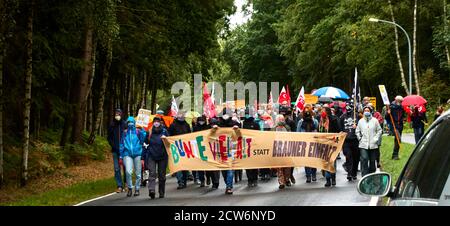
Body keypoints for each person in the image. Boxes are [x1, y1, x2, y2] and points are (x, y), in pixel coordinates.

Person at [120, 116, 147, 197]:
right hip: (127, 154)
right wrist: (121, 156)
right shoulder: (124, 133)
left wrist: (142, 130)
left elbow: (144, 141)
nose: (130, 124)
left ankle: (137, 189)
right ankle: (130, 188)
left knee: (138, 173)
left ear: (134, 123)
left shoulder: (138, 132)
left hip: (138, 154)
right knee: (128, 172)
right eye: (128, 122)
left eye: (131, 122)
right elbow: (121, 144)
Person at [143, 117, 169, 199]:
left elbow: (169, 143)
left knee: (162, 175)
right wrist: (143, 156)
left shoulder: (165, 131)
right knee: (152, 173)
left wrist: (166, 139)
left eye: (158, 122)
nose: (156, 123)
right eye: (155, 122)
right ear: (153, 123)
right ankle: (152, 190)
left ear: (160, 123)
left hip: (163, 156)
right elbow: (145, 143)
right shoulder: (149, 132)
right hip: (152, 155)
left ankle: (161, 192)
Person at [216, 110, 239, 194]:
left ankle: (229, 186)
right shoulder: (218, 124)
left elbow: (240, 135)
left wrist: (237, 129)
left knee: (230, 169)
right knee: (224, 171)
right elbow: (210, 135)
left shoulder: (234, 123)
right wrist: (213, 129)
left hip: (231, 150)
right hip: (220, 151)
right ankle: (227, 183)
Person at [168, 111, 192, 189]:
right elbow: (169, 135)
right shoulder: (173, 125)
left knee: (184, 165)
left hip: (185, 147)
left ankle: (184, 181)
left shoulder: (187, 125)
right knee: (178, 165)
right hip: (176, 147)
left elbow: (190, 135)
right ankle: (180, 182)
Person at [356, 106, 382, 177]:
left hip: (373, 145)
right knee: (364, 158)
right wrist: (360, 138)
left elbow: (379, 130)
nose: (366, 112)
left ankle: (371, 175)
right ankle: (364, 176)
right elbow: (357, 131)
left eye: (368, 110)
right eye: (365, 110)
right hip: (363, 144)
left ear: (370, 112)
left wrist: (376, 138)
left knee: (372, 161)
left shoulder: (375, 120)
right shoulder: (360, 121)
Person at [296, 105, 319, 183]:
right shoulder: (301, 122)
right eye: (305, 111)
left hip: (313, 142)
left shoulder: (315, 121)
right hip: (304, 144)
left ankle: (314, 174)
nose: (307, 113)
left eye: (308, 111)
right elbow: (298, 133)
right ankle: (308, 176)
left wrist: (313, 120)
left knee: (313, 159)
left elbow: (317, 130)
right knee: (306, 160)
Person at [320, 105, 340, 187]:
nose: (322, 112)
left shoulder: (334, 119)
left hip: (332, 144)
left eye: (323, 111)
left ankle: (333, 177)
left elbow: (338, 130)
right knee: (325, 161)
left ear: (327, 112)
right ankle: (328, 179)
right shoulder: (321, 121)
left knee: (332, 161)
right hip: (323, 144)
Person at [107, 109, 127, 193]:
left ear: (121, 114)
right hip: (115, 150)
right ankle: (119, 185)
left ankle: (126, 183)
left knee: (126, 167)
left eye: (119, 114)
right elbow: (109, 137)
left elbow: (127, 136)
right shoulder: (112, 125)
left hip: (124, 150)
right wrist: (113, 146)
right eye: (116, 114)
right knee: (116, 168)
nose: (117, 115)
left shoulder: (125, 124)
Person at [339, 104, 360, 181]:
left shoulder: (357, 116)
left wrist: (356, 126)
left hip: (355, 140)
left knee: (356, 157)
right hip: (346, 141)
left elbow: (361, 126)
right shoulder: (342, 117)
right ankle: (349, 173)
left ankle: (354, 173)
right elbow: (340, 128)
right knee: (348, 156)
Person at [242, 109, 261, 187]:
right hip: (246, 146)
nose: (247, 115)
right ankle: (249, 179)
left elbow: (259, 135)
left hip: (254, 146)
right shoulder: (242, 124)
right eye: (246, 114)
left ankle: (255, 178)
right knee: (247, 164)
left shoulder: (255, 124)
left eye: (248, 114)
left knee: (254, 164)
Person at [272, 115, 292, 189]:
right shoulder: (274, 128)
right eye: (280, 119)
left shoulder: (287, 127)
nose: (282, 121)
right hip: (277, 149)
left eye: (283, 119)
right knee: (279, 167)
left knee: (287, 166)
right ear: (277, 120)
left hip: (286, 148)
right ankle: (281, 182)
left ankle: (287, 179)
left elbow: (291, 136)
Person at [192, 115, 211, 187]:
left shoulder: (208, 127)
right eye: (200, 120)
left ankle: (208, 177)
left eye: (202, 120)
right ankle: (202, 180)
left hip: (207, 148)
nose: (201, 122)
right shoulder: (195, 128)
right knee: (200, 166)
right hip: (198, 148)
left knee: (207, 165)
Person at [385, 96, 405, 160]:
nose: (400, 102)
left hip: (400, 125)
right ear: (396, 100)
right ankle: (395, 154)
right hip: (393, 125)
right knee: (398, 138)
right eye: (399, 101)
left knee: (397, 140)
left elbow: (403, 115)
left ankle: (395, 155)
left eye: (401, 101)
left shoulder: (402, 107)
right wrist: (388, 113)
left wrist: (403, 119)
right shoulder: (391, 107)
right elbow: (386, 117)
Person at [231, 114, 243, 183]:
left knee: (239, 160)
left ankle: (240, 174)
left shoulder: (239, 125)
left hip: (238, 145)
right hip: (232, 146)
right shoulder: (230, 128)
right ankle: (235, 176)